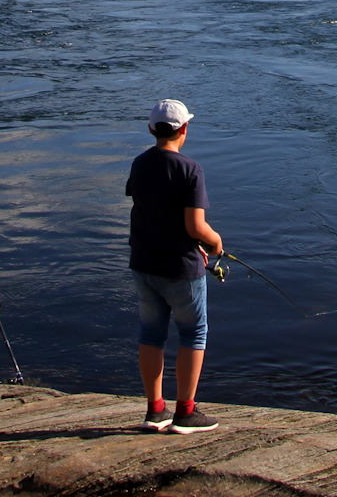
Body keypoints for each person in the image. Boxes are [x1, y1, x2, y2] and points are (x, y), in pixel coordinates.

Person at [125, 98, 223, 434]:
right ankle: (185, 412)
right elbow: (195, 226)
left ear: (152, 129)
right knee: (193, 333)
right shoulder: (190, 170)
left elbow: (148, 209)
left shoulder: (139, 164)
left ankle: (155, 411)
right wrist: (215, 241)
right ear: (184, 129)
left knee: (151, 333)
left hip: (143, 263)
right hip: (180, 268)